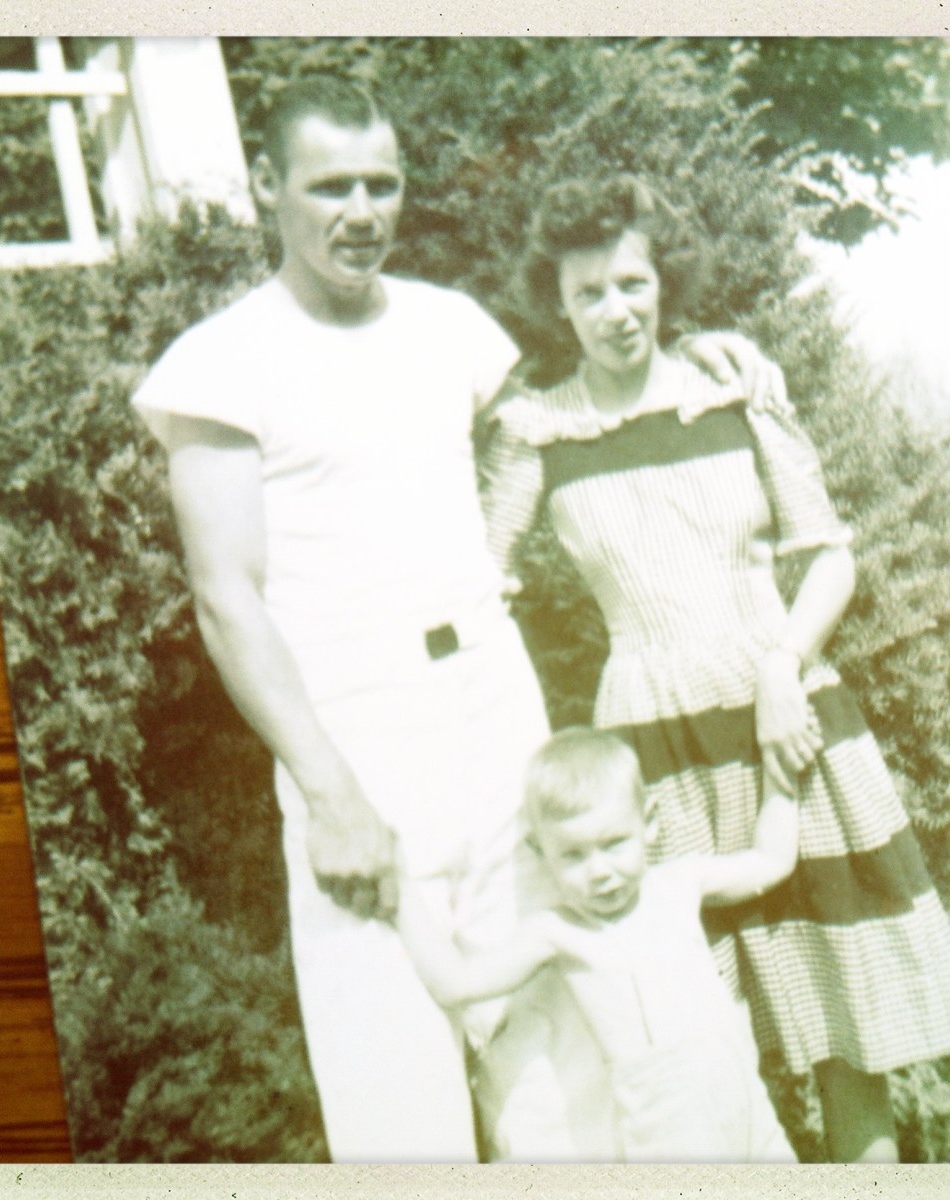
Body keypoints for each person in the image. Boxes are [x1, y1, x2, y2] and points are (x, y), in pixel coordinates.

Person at [130, 80, 778, 1161]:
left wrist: (697, 353)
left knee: (564, 1069)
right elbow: (226, 599)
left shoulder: (450, 328)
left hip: (494, 707)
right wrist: (330, 795)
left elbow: (576, 414)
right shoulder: (219, 364)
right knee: (397, 1099)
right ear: (267, 186)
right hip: (355, 735)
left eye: (381, 184)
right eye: (330, 186)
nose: (361, 211)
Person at [481, 174, 950, 1162]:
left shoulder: (739, 392)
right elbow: (478, 585)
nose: (615, 310)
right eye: (589, 293)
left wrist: (785, 668)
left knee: (849, 1035)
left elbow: (830, 557)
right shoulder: (536, 433)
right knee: (693, 1046)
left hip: (783, 719)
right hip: (651, 747)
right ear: (558, 304)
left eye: (633, 283)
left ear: (665, 282)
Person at [397, 727, 800, 1162]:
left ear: (648, 823)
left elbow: (771, 860)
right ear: (539, 852)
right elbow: (456, 983)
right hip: (670, 1133)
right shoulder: (557, 932)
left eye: (614, 844)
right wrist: (395, 880)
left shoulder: (681, 883)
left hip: (748, 1105)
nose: (599, 871)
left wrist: (781, 767)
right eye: (573, 855)